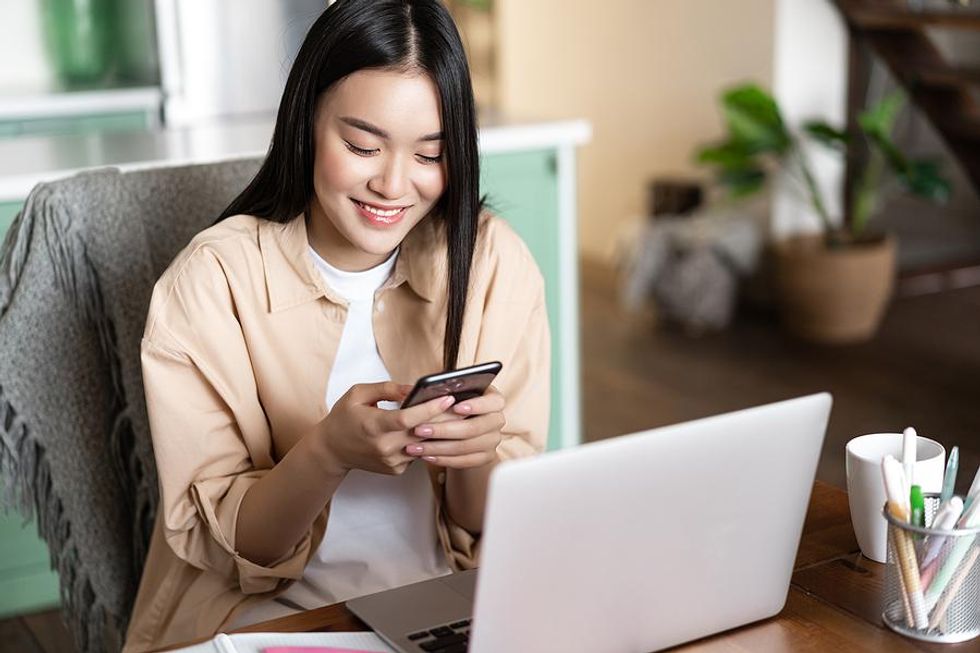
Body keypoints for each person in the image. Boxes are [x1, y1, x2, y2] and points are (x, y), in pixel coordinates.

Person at [123, 1, 550, 651]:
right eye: (361, 145)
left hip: (444, 607)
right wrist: (327, 452)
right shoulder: (211, 283)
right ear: (305, 122)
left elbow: (484, 522)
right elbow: (238, 546)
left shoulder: (491, 260)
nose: (393, 184)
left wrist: (474, 455)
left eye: (429, 154)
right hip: (271, 620)